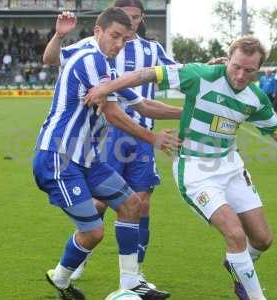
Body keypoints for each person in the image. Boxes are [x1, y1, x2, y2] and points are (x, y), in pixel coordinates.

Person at [83, 35, 277, 300]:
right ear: (228, 59)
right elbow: (147, 74)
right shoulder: (200, 74)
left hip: (231, 167)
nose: (241, 75)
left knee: (263, 240)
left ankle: (236, 265)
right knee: (235, 234)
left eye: (249, 70)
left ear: (259, 69)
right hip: (196, 170)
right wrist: (107, 88)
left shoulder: (256, 97)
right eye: (236, 67)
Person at [33, 7, 181, 300]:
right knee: (94, 232)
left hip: (87, 161)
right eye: (114, 36)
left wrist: (190, 113)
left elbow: (142, 106)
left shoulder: (110, 70)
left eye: (125, 40)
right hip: (59, 158)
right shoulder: (90, 60)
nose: (119, 44)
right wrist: (153, 137)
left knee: (132, 205)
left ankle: (128, 285)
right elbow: (113, 113)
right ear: (97, 32)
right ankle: (63, 278)